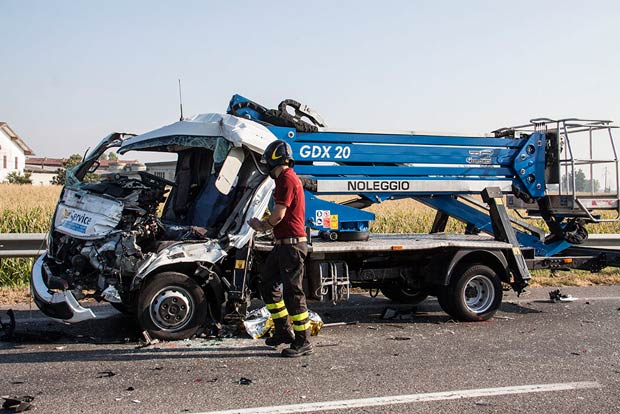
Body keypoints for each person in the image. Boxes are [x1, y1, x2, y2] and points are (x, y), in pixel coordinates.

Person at [248, 140, 312, 357]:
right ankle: (284, 331)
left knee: (293, 293)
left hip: (291, 246)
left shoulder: (286, 179)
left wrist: (261, 225)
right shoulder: (286, 179)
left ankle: (303, 341)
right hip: (283, 244)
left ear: (272, 160)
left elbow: (278, 215)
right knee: (268, 285)